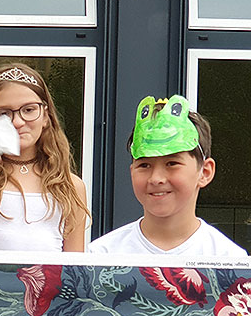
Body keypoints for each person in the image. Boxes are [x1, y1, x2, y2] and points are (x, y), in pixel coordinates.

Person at [0, 63, 89, 251]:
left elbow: (74, 263)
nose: (17, 122)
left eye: (29, 110)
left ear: (46, 116)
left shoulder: (70, 185)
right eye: (3, 114)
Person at [89, 95, 246, 256]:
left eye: (172, 163)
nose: (156, 178)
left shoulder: (229, 260)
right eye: (144, 165)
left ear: (205, 172)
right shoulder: (101, 257)